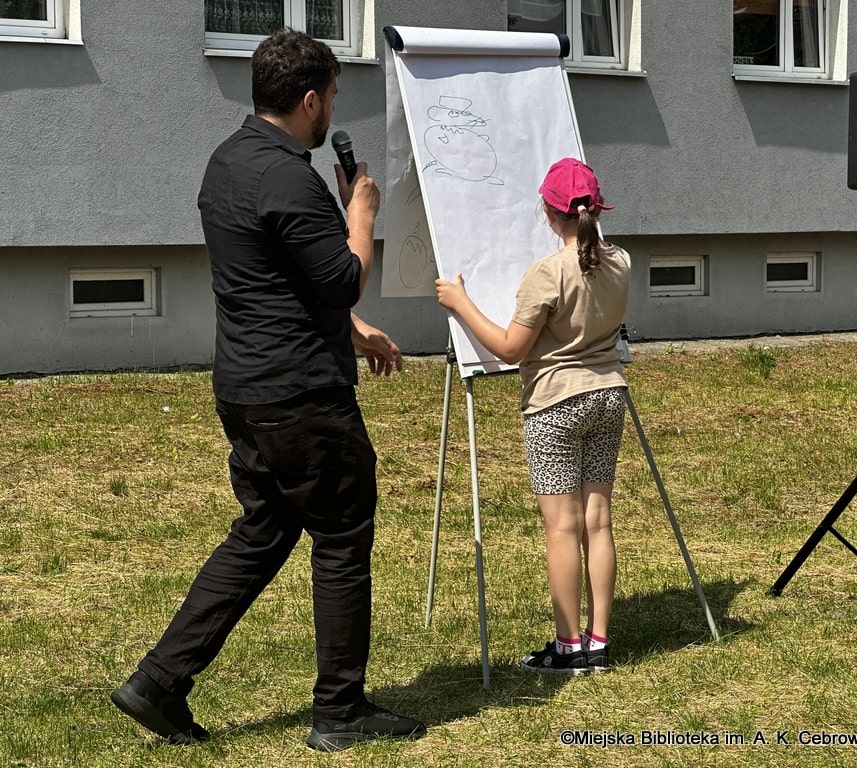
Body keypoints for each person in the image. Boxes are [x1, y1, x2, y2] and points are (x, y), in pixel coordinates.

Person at [110, 28, 425, 751]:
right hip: (302, 396)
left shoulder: (226, 162)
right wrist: (362, 212)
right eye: (333, 98)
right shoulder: (292, 179)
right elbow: (341, 278)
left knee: (264, 531)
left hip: (246, 389)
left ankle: (158, 682)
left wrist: (353, 332)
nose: (332, 111)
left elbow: (272, 279)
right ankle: (340, 713)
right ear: (310, 100)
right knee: (341, 535)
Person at [435, 158, 630, 675]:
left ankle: (568, 648)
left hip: (556, 405)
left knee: (562, 528)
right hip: (609, 396)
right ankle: (598, 643)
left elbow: (509, 349)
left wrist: (461, 302)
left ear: (548, 212)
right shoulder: (621, 262)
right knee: (598, 521)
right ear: (596, 209)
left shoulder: (548, 273)